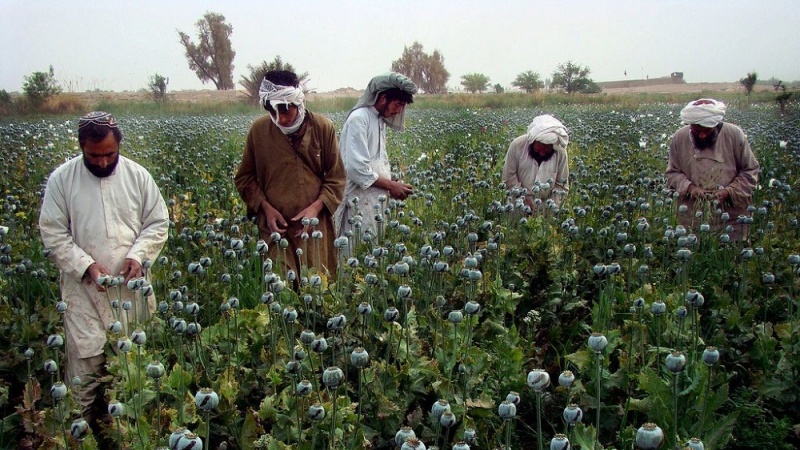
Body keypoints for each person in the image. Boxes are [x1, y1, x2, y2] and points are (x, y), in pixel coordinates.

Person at [39, 111, 169, 432]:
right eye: (93, 155)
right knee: (85, 361)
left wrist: (138, 256)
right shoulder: (62, 180)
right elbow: (53, 232)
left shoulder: (138, 177)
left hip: (130, 287)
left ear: (119, 145)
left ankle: (128, 430)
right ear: (81, 147)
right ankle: (77, 430)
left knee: (132, 362)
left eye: (109, 154)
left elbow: (157, 223)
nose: (101, 162)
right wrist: (85, 266)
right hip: (83, 289)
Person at [235, 70, 345, 277]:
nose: (280, 119)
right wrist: (265, 208)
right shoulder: (258, 131)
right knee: (281, 291)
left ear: (298, 102)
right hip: (276, 229)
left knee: (317, 288)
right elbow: (245, 178)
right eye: (273, 112)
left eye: (285, 111)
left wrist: (315, 209)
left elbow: (336, 178)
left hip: (314, 228)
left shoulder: (322, 128)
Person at [335, 72, 417, 239]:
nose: (399, 110)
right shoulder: (359, 119)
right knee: (356, 251)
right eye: (398, 104)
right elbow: (356, 168)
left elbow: (378, 161)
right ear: (383, 98)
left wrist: (392, 185)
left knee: (373, 248)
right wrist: (391, 185)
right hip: (358, 200)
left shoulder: (379, 120)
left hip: (375, 197)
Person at [665, 98, 760, 239]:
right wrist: (691, 188)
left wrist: (728, 192)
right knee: (695, 250)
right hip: (692, 213)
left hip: (731, 216)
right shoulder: (679, 138)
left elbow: (750, 171)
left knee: (729, 254)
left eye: (707, 131)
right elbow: (672, 173)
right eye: (697, 131)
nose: (702, 135)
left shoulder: (734, 135)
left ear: (717, 125)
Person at [502, 114, 570, 213]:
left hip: (546, 208)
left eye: (547, 150)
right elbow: (508, 178)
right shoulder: (517, 145)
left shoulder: (560, 152)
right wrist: (523, 198)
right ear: (533, 141)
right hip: (517, 203)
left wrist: (550, 209)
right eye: (539, 149)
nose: (542, 153)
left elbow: (561, 185)